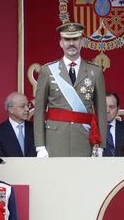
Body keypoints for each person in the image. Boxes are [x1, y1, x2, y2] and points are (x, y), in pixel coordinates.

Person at [33, 22, 105, 157]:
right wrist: (40, 146)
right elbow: (39, 111)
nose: (71, 43)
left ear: (82, 42)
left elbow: (101, 112)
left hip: (84, 139)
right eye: (67, 39)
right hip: (55, 139)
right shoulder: (48, 71)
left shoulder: (95, 71)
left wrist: (100, 147)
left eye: (75, 39)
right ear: (61, 43)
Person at [0, 92, 36, 157]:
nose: (27, 109)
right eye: (22, 106)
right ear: (11, 110)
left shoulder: (36, 129)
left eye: (28, 105)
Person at [101, 92, 124, 157]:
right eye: (104, 106)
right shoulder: (90, 129)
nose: (107, 111)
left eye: (111, 107)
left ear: (118, 109)